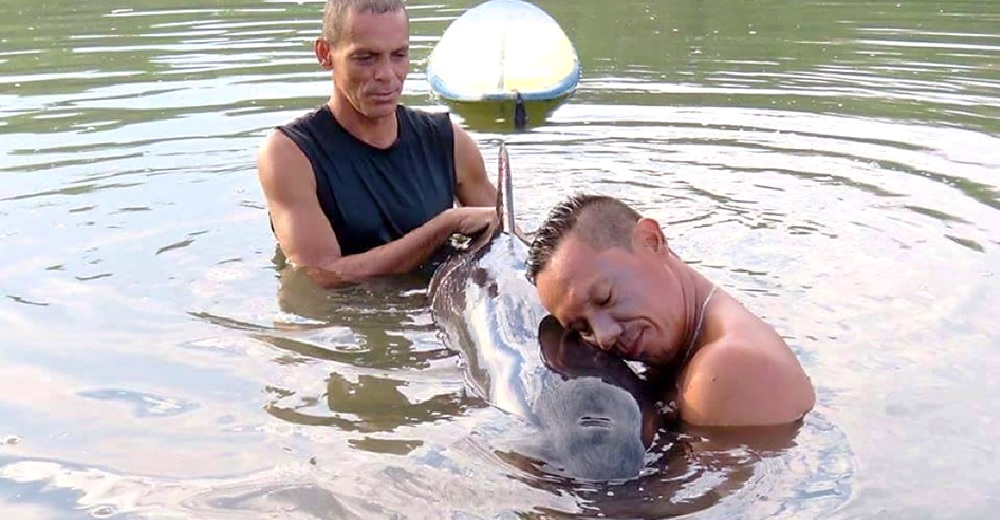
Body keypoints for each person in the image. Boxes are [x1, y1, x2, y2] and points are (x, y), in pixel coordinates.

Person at [256, 0, 499, 288]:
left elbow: (505, 234)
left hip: (438, 314)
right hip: (344, 326)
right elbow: (320, 275)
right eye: (365, 57)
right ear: (325, 54)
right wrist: (445, 226)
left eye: (398, 55)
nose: (386, 74)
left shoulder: (448, 141)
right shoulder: (289, 154)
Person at [525, 194, 816, 428]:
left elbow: (677, 501)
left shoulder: (725, 367)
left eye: (606, 298)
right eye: (582, 328)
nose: (604, 336)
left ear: (652, 241)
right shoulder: (686, 339)